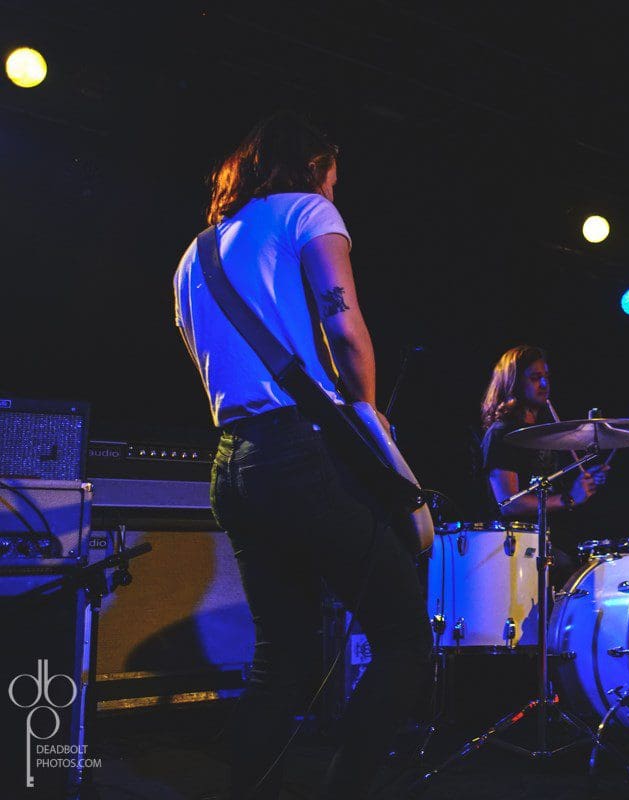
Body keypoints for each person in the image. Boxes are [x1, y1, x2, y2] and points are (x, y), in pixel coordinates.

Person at [173, 111, 431, 799]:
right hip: (298, 451)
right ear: (314, 169)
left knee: (278, 659)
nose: (333, 193)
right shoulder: (307, 212)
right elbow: (343, 328)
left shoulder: (193, 257)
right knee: (405, 640)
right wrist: (368, 419)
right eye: (333, 180)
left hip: (233, 465)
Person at [479, 345, 607, 580]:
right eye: (535, 378)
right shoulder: (501, 434)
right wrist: (568, 499)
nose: (545, 384)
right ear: (515, 383)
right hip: (518, 548)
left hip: (557, 539)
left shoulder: (545, 431)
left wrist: (584, 482)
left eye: (546, 376)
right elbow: (510, 504)